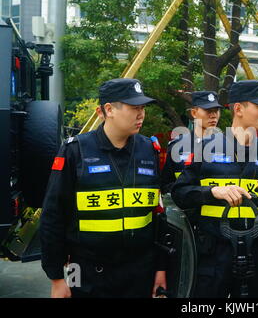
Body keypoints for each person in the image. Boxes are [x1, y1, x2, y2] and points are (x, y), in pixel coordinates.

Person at [40, 78, 166, 298]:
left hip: (140, 272)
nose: (141, 114)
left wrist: (161, 268)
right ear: (109, 110)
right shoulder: (75, 151)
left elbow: (157, 216)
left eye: (143, 108)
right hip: (85, 271)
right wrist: (57, 279)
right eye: (134, 108)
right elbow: (53, 216)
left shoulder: (149, 150)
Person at [171, 80, 258, 298]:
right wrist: (212, 192)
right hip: (213, 256)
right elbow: (179, 193)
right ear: (239, 109)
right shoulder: (204, 148)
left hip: (257, 255)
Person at [161, 91, 223, 195]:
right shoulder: (177, 146)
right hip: (185, 209)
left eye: (216, 111)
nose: (213, 116)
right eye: (208, 111)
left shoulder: (227, 146)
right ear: (194, 113)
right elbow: (165, 184)